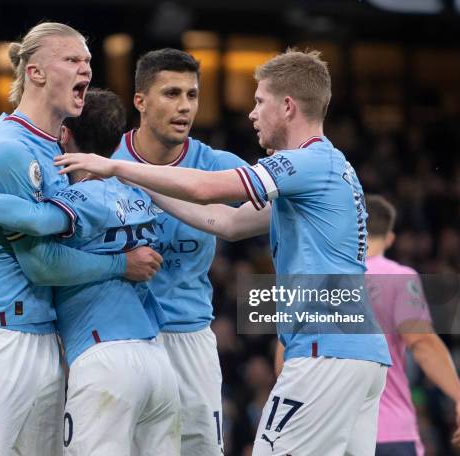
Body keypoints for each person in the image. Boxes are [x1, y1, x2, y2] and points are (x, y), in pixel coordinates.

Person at [55, 48, 393, 455]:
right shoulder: (332, 167)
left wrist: (116, 168)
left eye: (259, 102)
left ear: (287, 107)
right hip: (361, 353)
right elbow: (228, 223)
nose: (251, 114)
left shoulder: (303, 163)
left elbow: (204, 189)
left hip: (324, 349)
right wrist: (145, 184)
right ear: (141, 101)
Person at [0, 23, 160, 456]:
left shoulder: (55, 152)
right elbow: (40, 264)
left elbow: (45, 227)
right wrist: (121, 265)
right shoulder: (8, 145)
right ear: (36, 72)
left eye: (88, 62)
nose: (87, 70)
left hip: (40, 334)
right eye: (73, 60)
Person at [110, 48, 252, 455]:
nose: (184, 106)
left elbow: (289, 209)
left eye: (192, 95)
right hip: (121, 337)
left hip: (190, 337)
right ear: (140, 100)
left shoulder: (217, 166)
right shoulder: (103, 160)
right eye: (171, 93)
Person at [363, 195, 460, 455]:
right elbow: (421, 342)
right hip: (387, 431)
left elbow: (285, 359)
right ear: (390, 238)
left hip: (328, 434)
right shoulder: (398, 277)